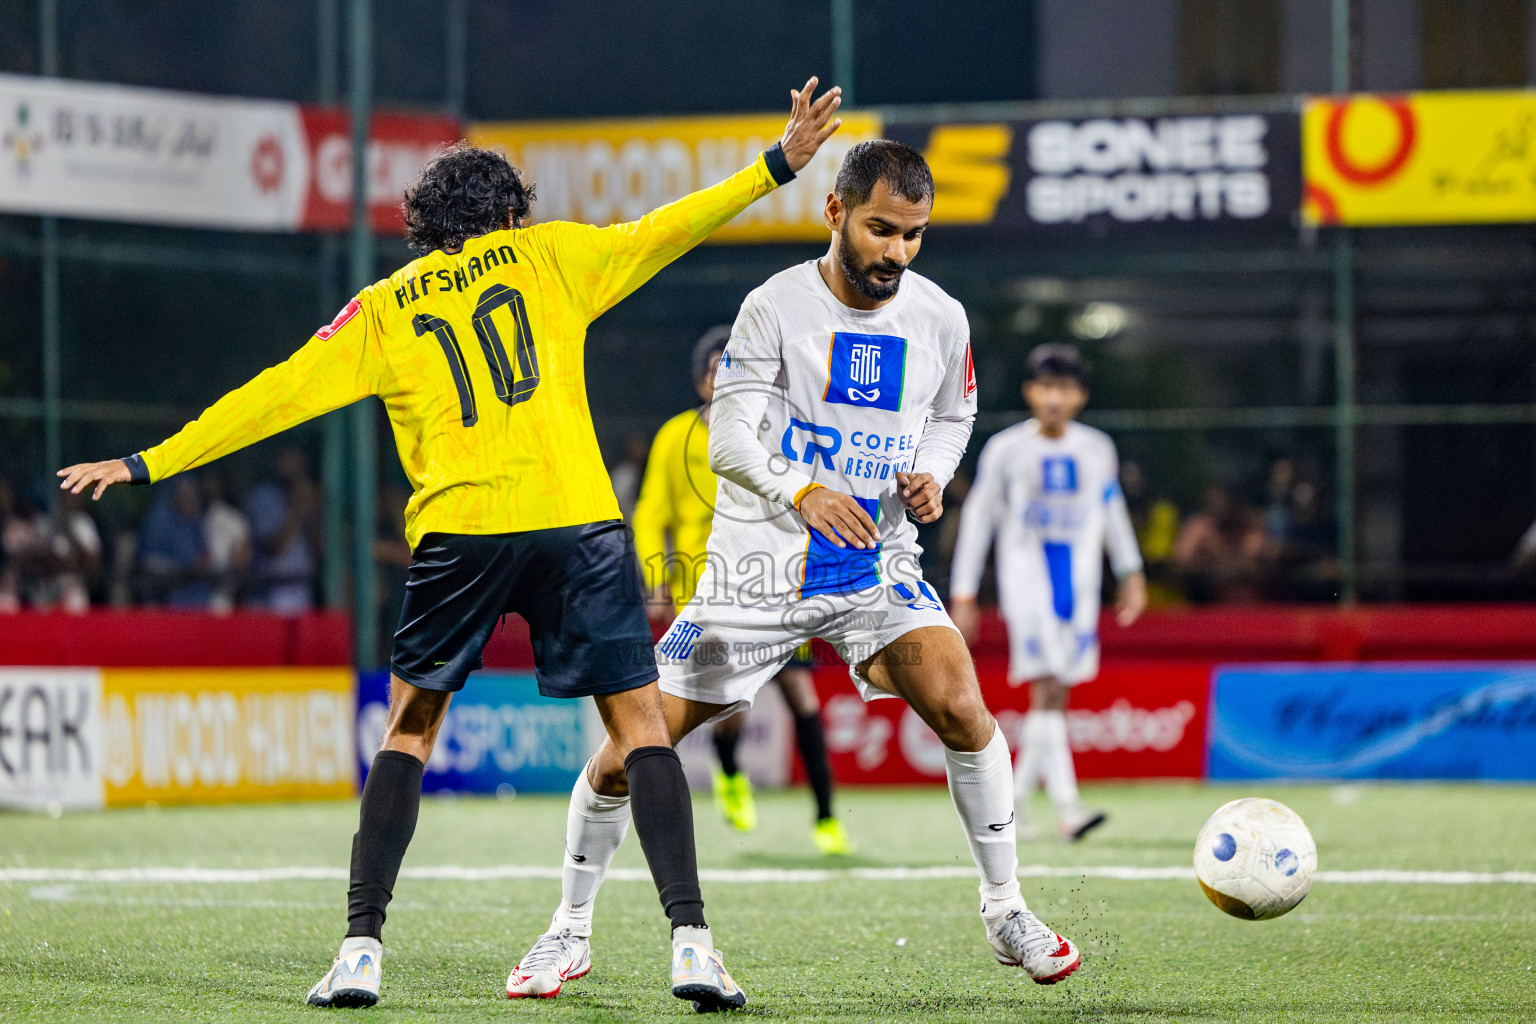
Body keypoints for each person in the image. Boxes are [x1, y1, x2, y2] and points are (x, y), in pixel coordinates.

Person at [56, 76, 844, 1012]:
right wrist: (775, 165)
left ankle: (359, 953)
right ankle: (693, 947)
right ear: (509, 211)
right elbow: (668, 226)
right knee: (639, 732)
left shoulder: (384, 307)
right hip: (577, 523)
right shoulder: (551, 258)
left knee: (410, 729)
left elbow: (272, 394)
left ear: (428, 224)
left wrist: (151, 461)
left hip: (460, 532)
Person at [509, 139, 1083, 1001]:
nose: (896, 252)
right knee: (635, 746)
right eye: (881, 229)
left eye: (914, 236)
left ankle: (1005, 908)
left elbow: (953, 413)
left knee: (963, 700)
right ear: (836, 214)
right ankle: (568, 928)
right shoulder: (773, 307)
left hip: (874, 566)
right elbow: (729, 437)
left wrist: (933, 471)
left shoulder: (941, 317)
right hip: (756, 573)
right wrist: (800, 490)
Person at [632, 325, 850, 855]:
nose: (724, 378)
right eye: (715, 369)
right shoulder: (674, 436)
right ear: (701, 381)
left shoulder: (775, 431)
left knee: (802, 695)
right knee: (732, 703)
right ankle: (730, 770)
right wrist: (656, 577)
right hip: (705, 590)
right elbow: (650, 513)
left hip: (775, 586)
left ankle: (827, 819)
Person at [949, 344, 1148, 843]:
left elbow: (1112, 510)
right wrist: (965, 593)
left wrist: (1131, 572)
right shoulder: (1007, 450)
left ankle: (1012, 807)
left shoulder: (1096, 449)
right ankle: (1068, 808)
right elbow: (977, 521)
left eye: (1064, 388)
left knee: (1055, 695)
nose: (1054, 398)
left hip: (1078, 590)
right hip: (1029, 586)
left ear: (1080, 396)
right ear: (1029, 392)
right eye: (1045, 387)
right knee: (1047, 687)